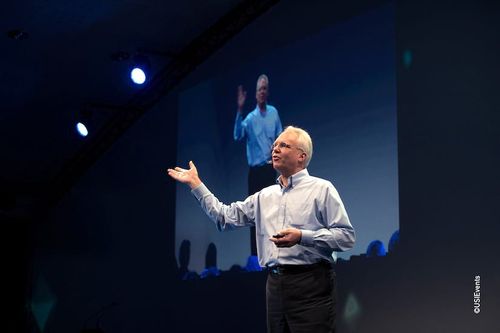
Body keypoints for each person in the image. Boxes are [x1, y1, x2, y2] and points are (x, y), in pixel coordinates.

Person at [168, 126, 355, 333]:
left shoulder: (322, 189)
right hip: (275, 285)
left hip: (312, 283)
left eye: (283, 145)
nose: (275, 149)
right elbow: (224, 217)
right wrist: (197, 184)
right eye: (274, 145)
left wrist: (302, 236)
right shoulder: (264, 196)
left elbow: (346, 237)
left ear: (301, 156)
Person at [234, 74, 283, 256]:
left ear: (267, 92)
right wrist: (239, 109)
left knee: (272, 213)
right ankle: (256, 256)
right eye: (259, 89)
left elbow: (280, 138)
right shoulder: (249, 118)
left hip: (269, 170)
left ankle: (274, 253)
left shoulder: (274, 113)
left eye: (264, 89)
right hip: (255, 173)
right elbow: (237, 135)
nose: (262, 92)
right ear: (255, 94)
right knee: (254, 215)